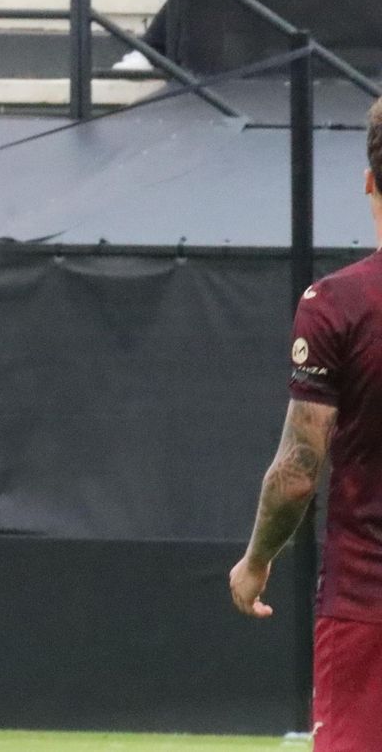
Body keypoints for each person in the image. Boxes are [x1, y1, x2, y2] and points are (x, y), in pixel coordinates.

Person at [229, 98, 382, 752]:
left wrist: (257, 560)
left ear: (370, 180)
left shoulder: (337, 306)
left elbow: (298, 473)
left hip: (366, 600)